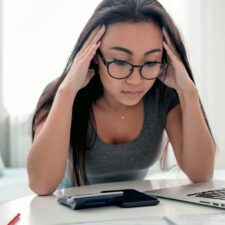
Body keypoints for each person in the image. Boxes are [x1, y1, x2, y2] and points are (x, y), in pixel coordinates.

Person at [27, 0, 216, 195]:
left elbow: (201, 174)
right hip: (66, 211)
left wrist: (189, 92)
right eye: (119, 61)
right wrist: (67, 93)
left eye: (151, 62)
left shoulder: (165, 95)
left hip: (132, 208)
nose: (135, 80)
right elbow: (41, 185)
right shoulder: (64, 92)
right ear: (94, 55)